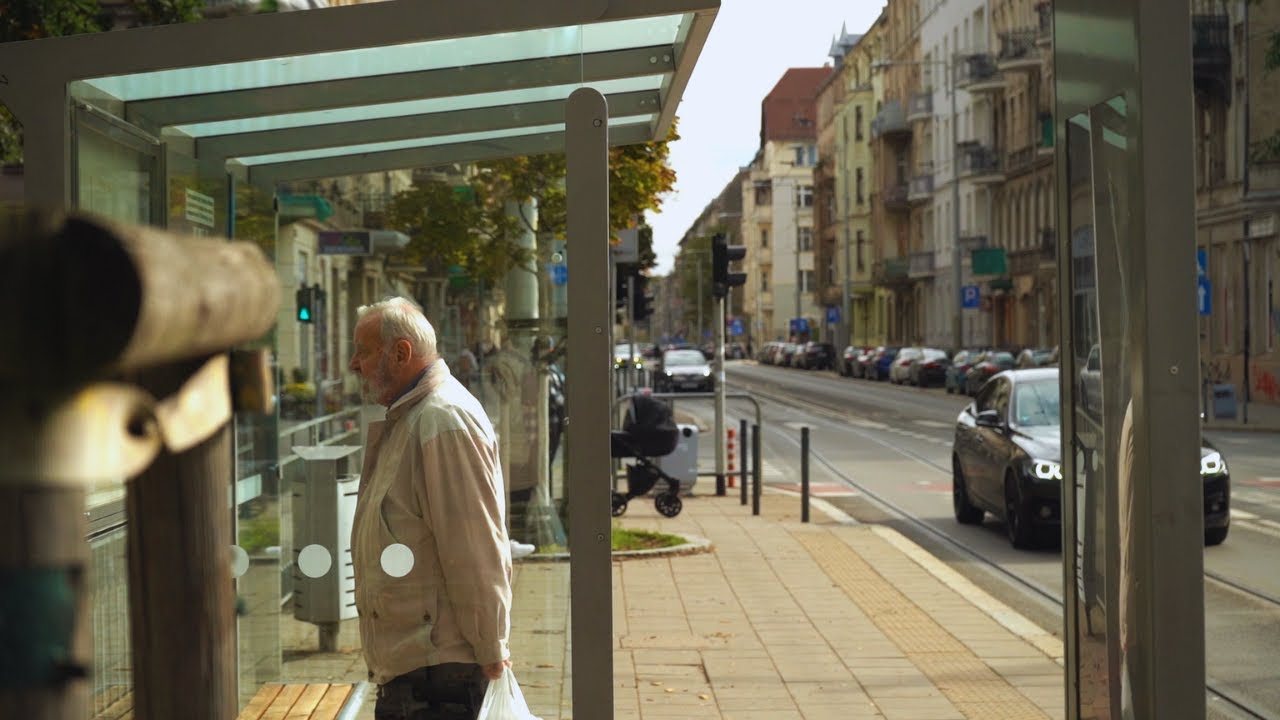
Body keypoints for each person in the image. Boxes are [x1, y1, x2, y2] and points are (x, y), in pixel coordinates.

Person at [347, 297, 511, 720]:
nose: (353, 364)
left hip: (439, 673)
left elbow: (474, 547)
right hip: (416, 665)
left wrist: (491, 645)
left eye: (363, 352)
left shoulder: (442, 419)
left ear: (400, 354)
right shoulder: (414, 417)